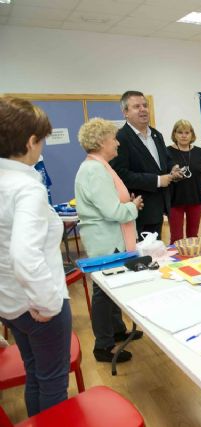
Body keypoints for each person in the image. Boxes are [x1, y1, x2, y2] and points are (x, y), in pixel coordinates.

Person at [0, 96, 71, 416]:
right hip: (39, 307)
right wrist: (49, 303)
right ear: (30, 141)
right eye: (41, 140)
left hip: (10, 303)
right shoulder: (25, 187)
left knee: (36, 376)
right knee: (54, 383)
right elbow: (25, 255)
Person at [75, 118, 144, 363]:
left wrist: (127, 206)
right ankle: (103, 346)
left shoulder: (100, 165)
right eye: (113, 138)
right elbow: (113, 212)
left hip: (109, 238)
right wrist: (133, 207)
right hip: (105, 240)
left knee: (112, 288)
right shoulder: (94, 170)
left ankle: (116, 330)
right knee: (103, 293)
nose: (117, 143)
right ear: (102, 141)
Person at [111, 90, 182, 240]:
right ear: (125, 112)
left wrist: (173, 168)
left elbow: (166, 160)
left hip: (159, 206)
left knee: (155, 250)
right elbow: (121, 174)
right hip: (138, 208)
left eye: (145, 105)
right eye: (137, 106)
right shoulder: (120, 138)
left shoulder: (156, 135)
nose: (143, 109)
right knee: (142, 255)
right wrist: (157, 180)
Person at [167, 120, 201, 244]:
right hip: (175, 200)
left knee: (193, 236)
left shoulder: (199, 152)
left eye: (187, 132)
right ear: (174, 134)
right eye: (180, 132)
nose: (184, 135)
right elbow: (164, 175)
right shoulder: (166, 151)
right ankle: (176, 263)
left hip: (196, 199)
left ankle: (192, 262)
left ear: (192, 134)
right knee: (176, 238)